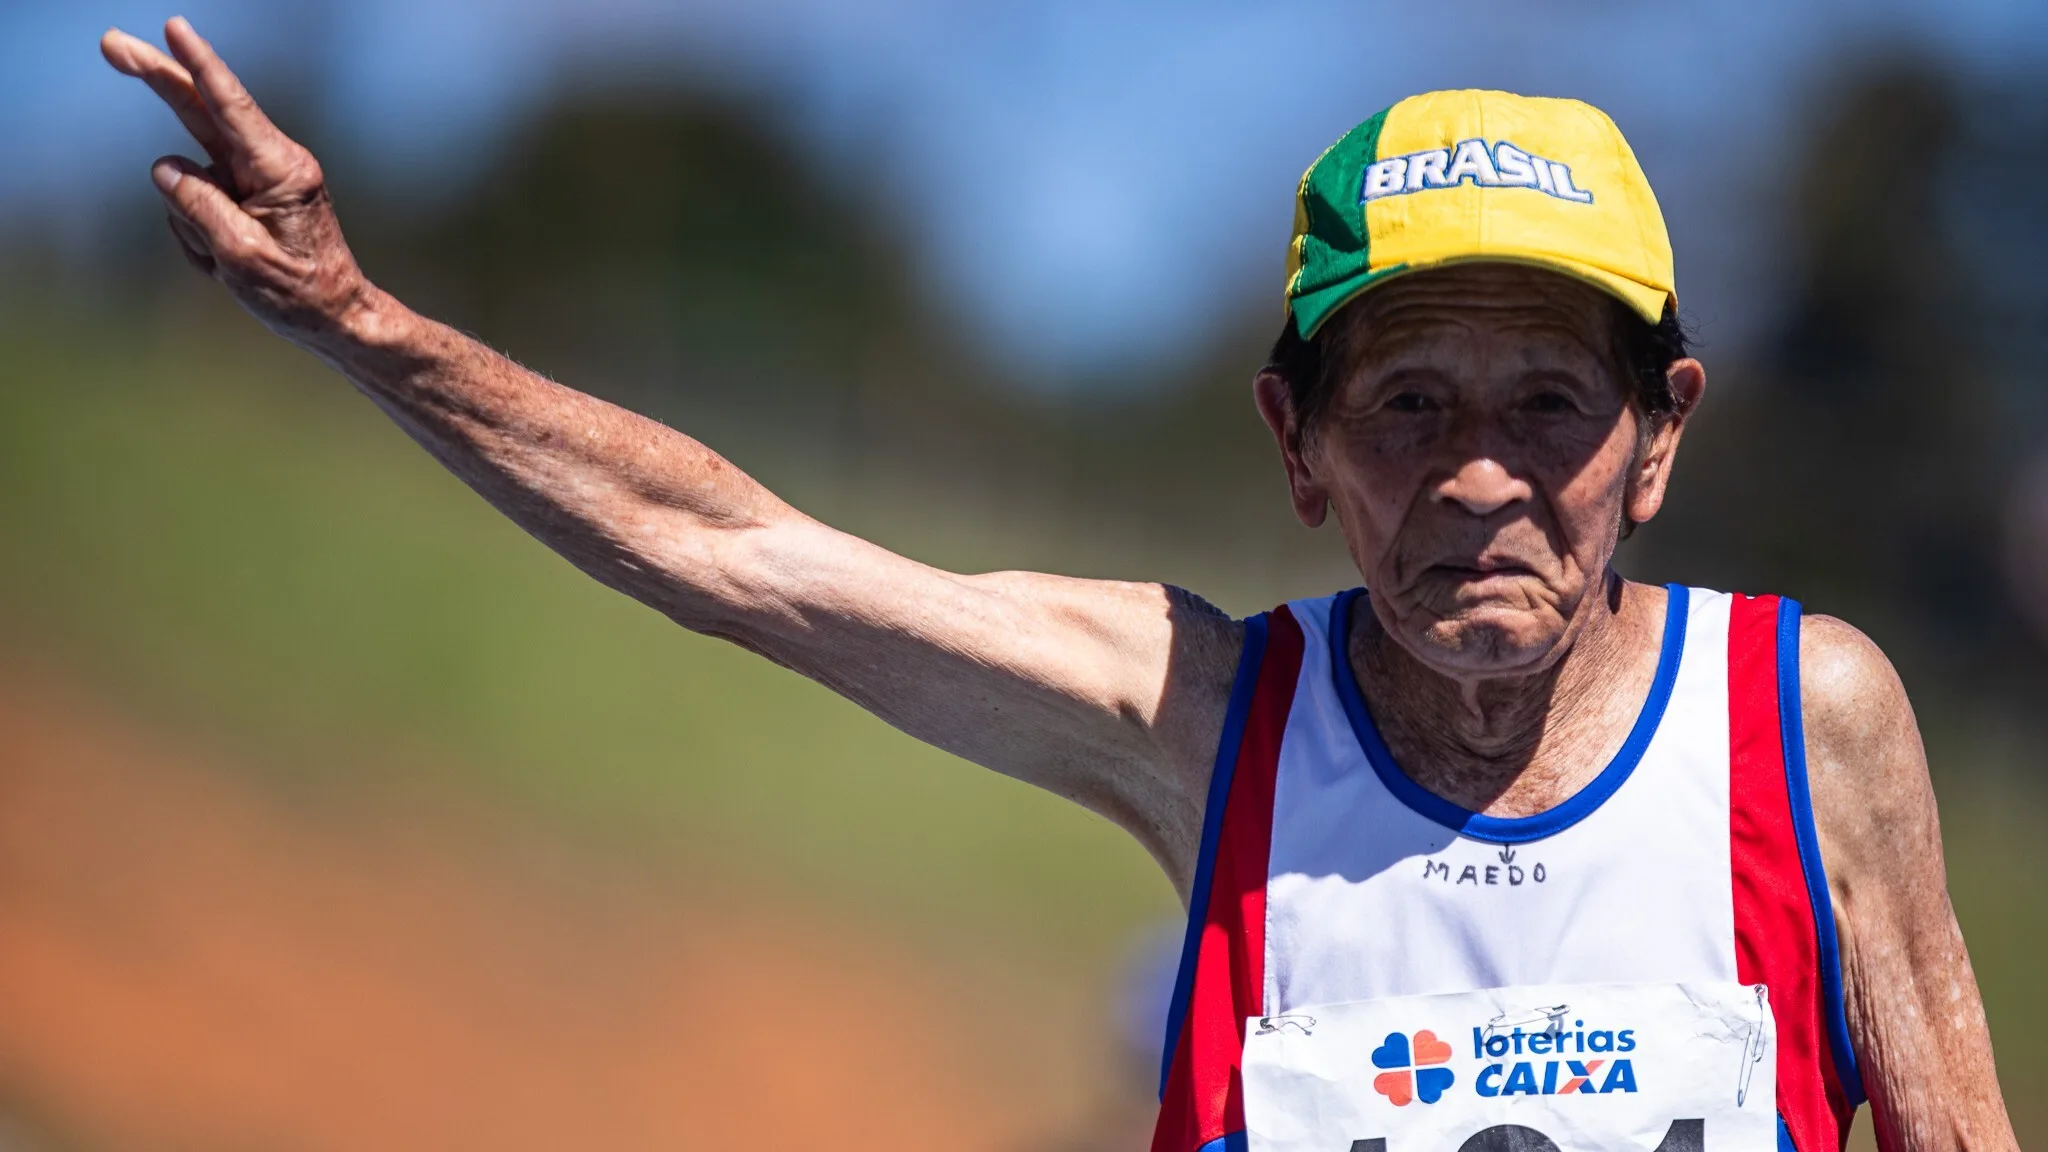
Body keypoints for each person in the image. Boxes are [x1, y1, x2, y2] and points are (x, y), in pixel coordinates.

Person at [102, 19, 2016, 1152]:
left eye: (1552, 405)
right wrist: (362, 321)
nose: (1486, 475)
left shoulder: (1806, 726)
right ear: (1298, 448)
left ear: (1658, 439)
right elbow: (734, 548)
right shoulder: (1200, 715)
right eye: (1411, 403)